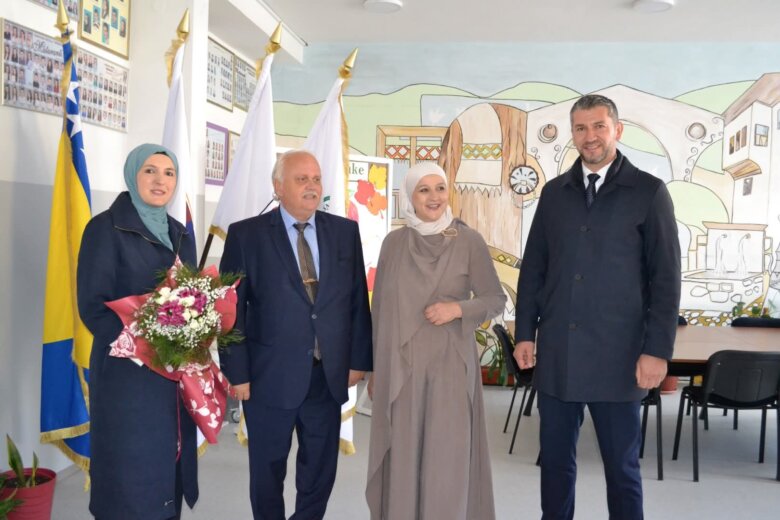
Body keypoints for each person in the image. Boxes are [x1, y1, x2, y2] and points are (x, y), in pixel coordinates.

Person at [513, 94, 681, 519]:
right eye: (581, 128)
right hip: (559, 358)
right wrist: (524, 333)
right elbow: (534, 269)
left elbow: (666, 280)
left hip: (620, 358)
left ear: (617, 130)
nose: (590, 137)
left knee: (621, 470)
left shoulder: (648, 192)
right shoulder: (554, 195)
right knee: (553, 466)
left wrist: (657, 350)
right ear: (573, 134)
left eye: (599, 126)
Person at [220, 149, 373, 520]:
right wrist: (236, 373)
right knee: (267, 471)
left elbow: (356, 300)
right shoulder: (247, 235)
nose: (311, 186)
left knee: (319, 471)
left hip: (327, 374)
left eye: (316, 179)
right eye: (301, 179)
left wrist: (358, 360)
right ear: (278, 186)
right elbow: (230, 310)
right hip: (268, 377)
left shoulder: (344, 232)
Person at [366, 163, 506, 520]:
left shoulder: (468, 240)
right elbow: (379, 308)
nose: (434, 197)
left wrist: (457, 309)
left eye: (440, 188)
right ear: (409, 196)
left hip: (449, 367)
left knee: (446, 458)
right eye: (424, 190)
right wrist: (374, 370)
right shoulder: (394, 243)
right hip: (402, 369)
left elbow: (494, 298)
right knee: (404, 452)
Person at [77, 144, 199, 520]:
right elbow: (93, 308)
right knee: (129, 481)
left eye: (169, 173)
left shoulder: (181, 233)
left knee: (167, 475)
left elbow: (193, 300)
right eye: (150, 171)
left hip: (174, 380)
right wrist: (150, 339)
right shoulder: (105, 228)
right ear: (132, 175)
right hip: (126, 380)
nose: (160, 180)